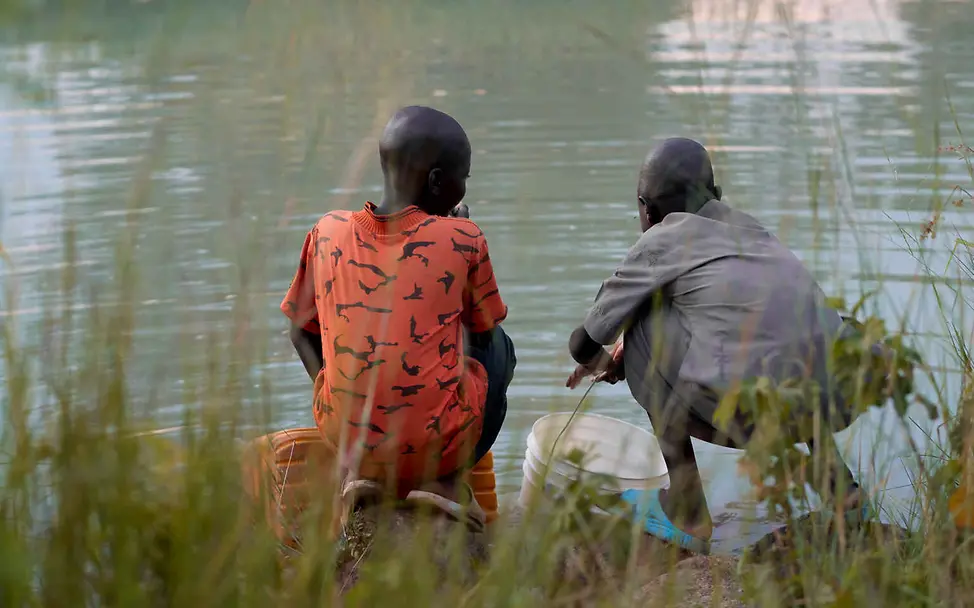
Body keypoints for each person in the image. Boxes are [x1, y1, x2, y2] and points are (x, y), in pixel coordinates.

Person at [566, 137, 864, 553]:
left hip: (752, 416)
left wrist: (613, 360)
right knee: (791, 340)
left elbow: (582, 344)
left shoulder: (661, 238)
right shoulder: (755, 232)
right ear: (717, 197)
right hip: (833, 402)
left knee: (640, 321)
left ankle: (687, 508)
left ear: (645, 209)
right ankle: (843, 492)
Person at [280, 105, 515, 529]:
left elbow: (299, 331)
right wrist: (453, 233)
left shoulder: (326, 232)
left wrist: (335, 389)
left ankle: (362, 472)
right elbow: (483, 332)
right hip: (435, 444)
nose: (464, 187)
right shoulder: (463, 238)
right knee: (501, 348)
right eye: (463, 177)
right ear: (438, 182)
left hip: (349, 439)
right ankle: (443, 480)